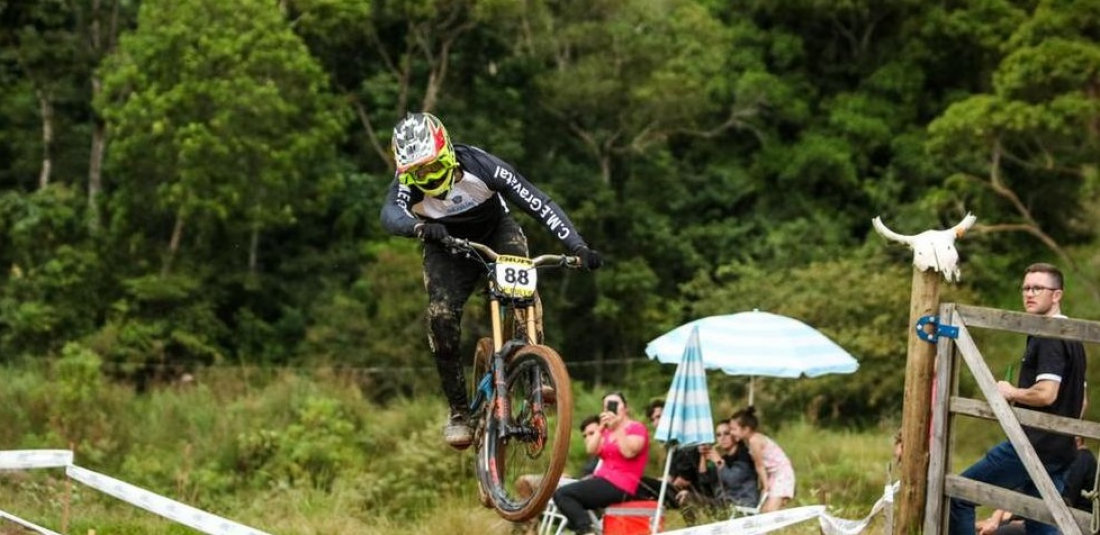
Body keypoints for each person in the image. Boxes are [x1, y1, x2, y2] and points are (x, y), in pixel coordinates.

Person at [380, 112, 603, 448]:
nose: (426, 177)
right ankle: (458, 411)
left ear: (448, 153)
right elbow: (390, 214)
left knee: (523, 292)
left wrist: (577, 246)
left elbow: (538, 202)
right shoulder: (408, 184)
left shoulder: (482, 166)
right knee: (440, 317)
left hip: (496, 231)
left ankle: (534, 375)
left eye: (433, 167)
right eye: (417, 173)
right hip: (445, 246)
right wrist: (419, 228)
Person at [949, 262, 1088, 535]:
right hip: (1061, 450)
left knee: (959, 494)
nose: (1029, 293)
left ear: (1057, 295)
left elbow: (1047, 393)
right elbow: (1082, 399)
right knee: (1040, 523)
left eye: (1038, 288)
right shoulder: (1074, 334)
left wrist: (1011, 392)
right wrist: (1068, 433)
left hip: (1032, 445)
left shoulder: (1049, 333)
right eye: (1026, 288)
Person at [553, 392, 650, 535]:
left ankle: (587, 530)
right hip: (603, 480)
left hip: (621, 483)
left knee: (563, 495)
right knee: (563, 494)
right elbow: (591, 450)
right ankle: (585, 528)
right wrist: (601, 428)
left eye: (615, 404)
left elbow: (629, 452)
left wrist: (618, 427)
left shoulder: (636, 428)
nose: (611, 409)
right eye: (606, 407)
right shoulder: (606, 431)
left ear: (626, 408)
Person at [975, 436, 1098, 535]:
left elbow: (1063, 502)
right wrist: (996, 519)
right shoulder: (1052, 460)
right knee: (977, 528)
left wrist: (1016, 519)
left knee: (1003, 532)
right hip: (1036, 517)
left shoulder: (1081, 459)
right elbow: (1020, 491)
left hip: (1067, 525)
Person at [729, 406, 795, 513]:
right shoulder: (750, 440)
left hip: (781, 474)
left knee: (770, 511)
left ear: (746, 429)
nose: (731, 433)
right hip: (773, 475)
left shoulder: (754, 441)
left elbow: (759, 465)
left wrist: (765, 486)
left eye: (733, 429)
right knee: (764, 511)